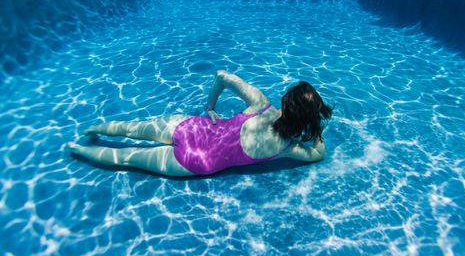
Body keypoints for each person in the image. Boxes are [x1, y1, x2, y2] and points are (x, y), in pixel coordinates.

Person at [68, 70, 333, 176]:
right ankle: (79, 150)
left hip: (194, 127)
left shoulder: (261, 104)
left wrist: (210, 107)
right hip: (196, 161)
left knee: (130, 127)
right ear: (306, 120)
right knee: (125, 158)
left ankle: (91, 129)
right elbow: (319, 153)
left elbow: (222, 75)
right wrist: (314, 126)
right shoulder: (287, 148)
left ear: (285, 100)